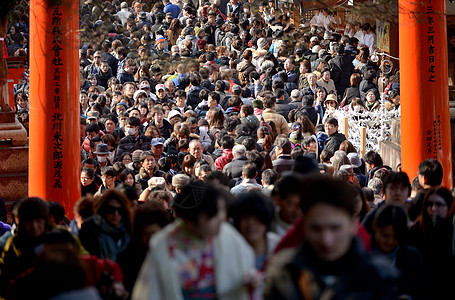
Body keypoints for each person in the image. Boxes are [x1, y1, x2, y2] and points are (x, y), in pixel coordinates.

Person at [264, 176, 397, 299]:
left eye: (335, 228)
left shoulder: (380, 277)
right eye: (316, 229)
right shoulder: (283, 273)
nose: (326, 240)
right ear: (303, 225)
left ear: (353, 224)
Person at [132, 181, 256, 300]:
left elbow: (245, 266)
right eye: (213, 215)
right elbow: (151, 293)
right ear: (191, 220)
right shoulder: (163, 244)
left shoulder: (226, 234)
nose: (221, 218)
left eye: (222, 211)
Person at [409, 187, 455, 299]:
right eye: (430, 204)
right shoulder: (416, 229)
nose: (434, 209)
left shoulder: (452, 231)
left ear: (448, 206)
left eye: (439, 205)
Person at [372, 204, 424, 299]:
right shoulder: (363, 253)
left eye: (396, 237)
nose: (390, 241)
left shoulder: (412, 257)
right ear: (375, 227)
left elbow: (420, 290)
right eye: (385, 235)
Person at [79, 189, 132, 261]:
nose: (116, 214)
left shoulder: (129, 228)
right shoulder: (91, 227)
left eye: (120, 211)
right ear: (104, 209)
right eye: (111, 210)